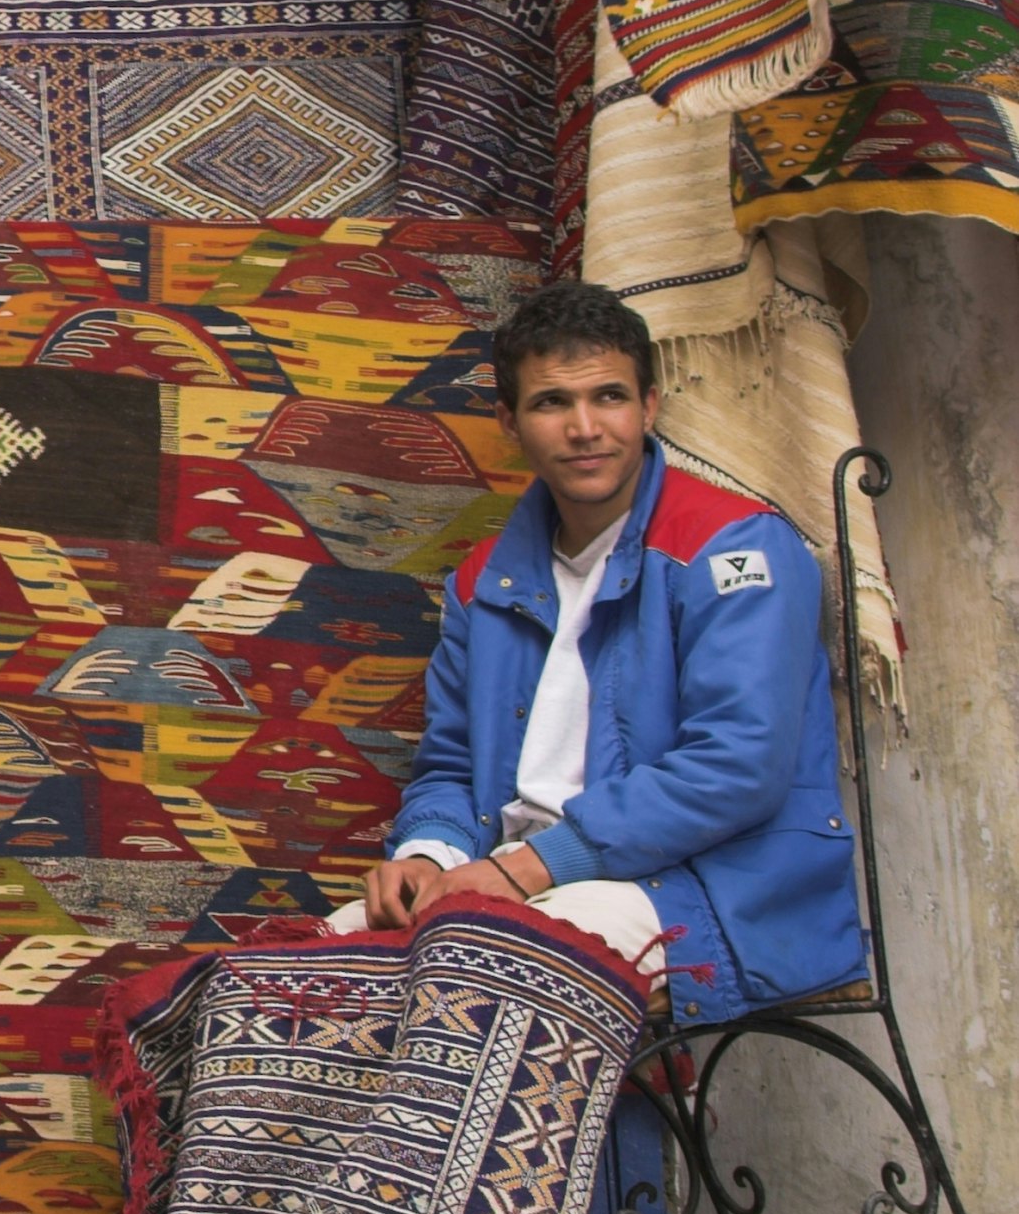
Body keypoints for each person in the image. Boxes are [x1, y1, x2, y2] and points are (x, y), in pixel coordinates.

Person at [331, 277, 867, 1023]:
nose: (585, 427)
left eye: (608, 396)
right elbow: (452, 765)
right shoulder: (485, 580)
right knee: (294, 981)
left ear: (650, 406)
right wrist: (431, 855)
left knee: (470, 980)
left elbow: (738, 764)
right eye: (552, 402)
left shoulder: (737, 547)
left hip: (710, 887)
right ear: (509, 421)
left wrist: (525, 869)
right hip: (514, 877)